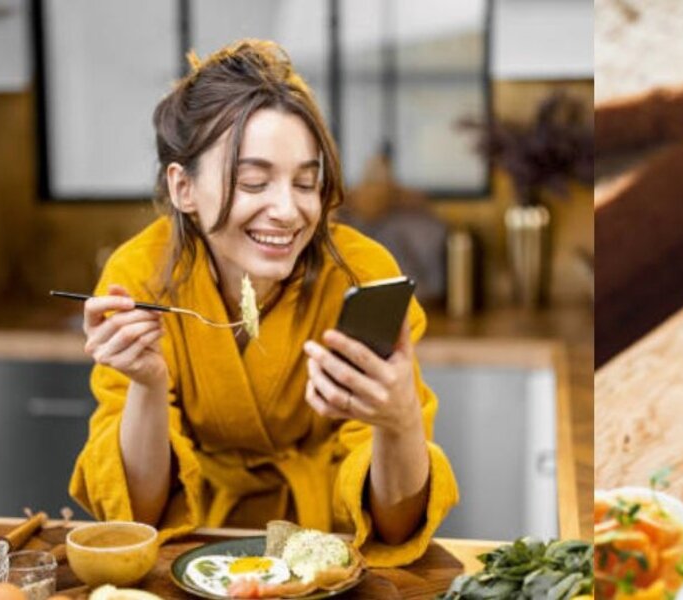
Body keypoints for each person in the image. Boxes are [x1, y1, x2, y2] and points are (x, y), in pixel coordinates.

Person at [68, 39, 457, 567]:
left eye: (306, 182)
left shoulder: (362, 275)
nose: (288, 210)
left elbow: (397, 527)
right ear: (183, 187)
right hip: (196, 552)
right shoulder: (140, 279)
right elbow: (139, 515)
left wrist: (400, 422)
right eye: (254, 181)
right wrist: (147, 384)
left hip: (326, 558)